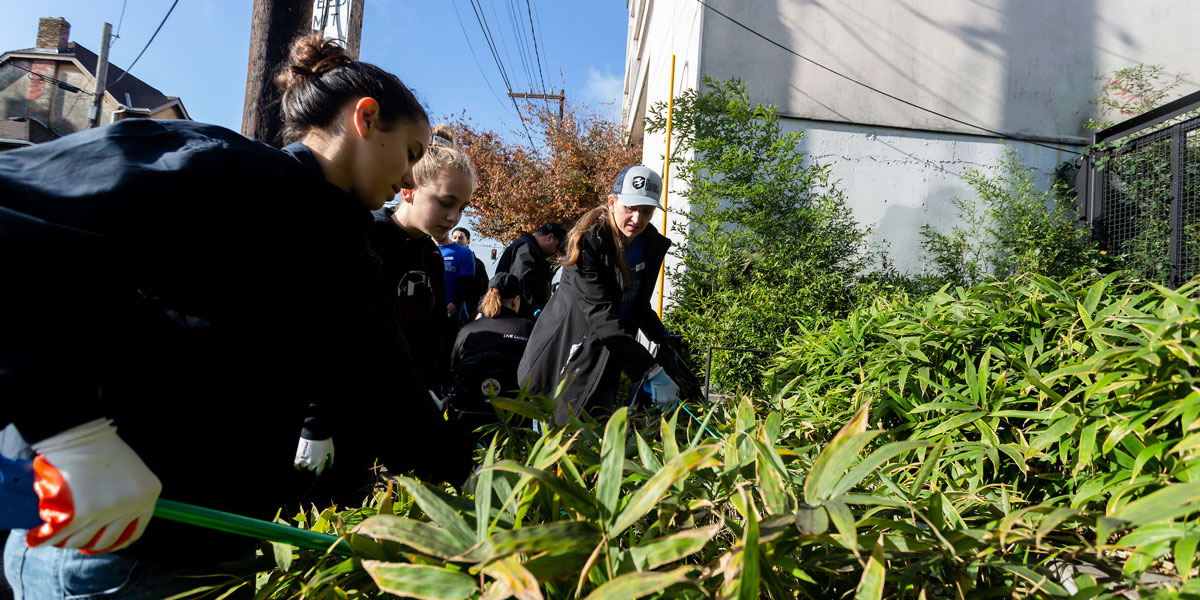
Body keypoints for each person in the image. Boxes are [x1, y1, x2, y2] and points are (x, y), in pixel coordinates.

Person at [0, 35, 473, 597]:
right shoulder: (221, 170)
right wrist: (72, 431)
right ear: (365, 118)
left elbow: (384, 385)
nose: (409, 179)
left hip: (209, 548)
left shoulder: (343, 249)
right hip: (106, 548)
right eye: (412, 153)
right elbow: (14, 225)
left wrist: (481, 485)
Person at [517, 166, 680, 426]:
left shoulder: (648, 245)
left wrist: (663, 337)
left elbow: (635, 304)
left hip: (608, 358)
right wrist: (650, 370)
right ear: (612, 203)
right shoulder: (588, 244)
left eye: (646, 211)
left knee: (599, 442)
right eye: (631, 207)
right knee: (561, 446)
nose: (637, 219)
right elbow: (601, 314)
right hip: (567, 359)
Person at [367, 124, 474, 395]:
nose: (454, 217)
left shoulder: (432, 256)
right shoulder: (369, 237)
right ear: (409, 190)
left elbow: (433, 337)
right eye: (445, 202)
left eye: (461, 207)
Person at [446, 273, 534, 433]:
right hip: (513, 422)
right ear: (516, 300)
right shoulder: (529, 330)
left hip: (469, 419)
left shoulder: (468, 330)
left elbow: (453, 372)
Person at [496, 222, 565, 319]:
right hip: (520, 316)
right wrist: (538, 309)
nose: (555, 251)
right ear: (549, 237)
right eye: (557, 246)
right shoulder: (527, 249)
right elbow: (525, 283)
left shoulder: (525, 246)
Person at [451, 227, 489, 320]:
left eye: (460, 238)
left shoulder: (477, 264)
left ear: (468, 242)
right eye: (454, 237)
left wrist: (479, 312)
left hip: (469, 312)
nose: (456, 241)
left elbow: (484, 289)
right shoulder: (445, 259)